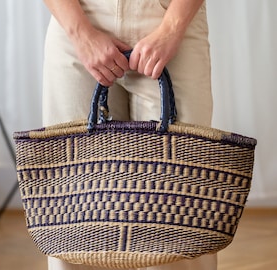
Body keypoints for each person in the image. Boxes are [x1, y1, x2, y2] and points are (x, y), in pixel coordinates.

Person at [42, 0, 217, 270]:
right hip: (76, 20)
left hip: (169, 18)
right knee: (77, 208)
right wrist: (81, 33)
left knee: (175, 206)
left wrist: (172, 28)